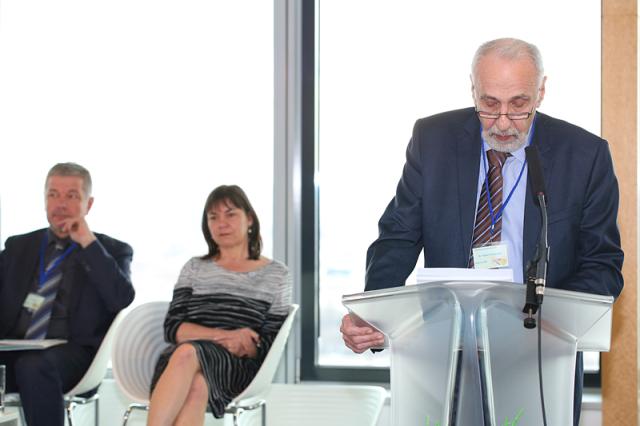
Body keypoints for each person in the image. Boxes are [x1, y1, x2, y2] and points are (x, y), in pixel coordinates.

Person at [340, 38, 623, 425]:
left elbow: (602, 264)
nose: (503, 121)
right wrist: (373, 313)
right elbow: (398, 235)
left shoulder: (585, 154)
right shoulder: (432, 139)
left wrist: (552, 323)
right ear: (472, 89)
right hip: (445, 350)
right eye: (489, 104)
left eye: (519, 105)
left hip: (539, 358)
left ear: (541, 91)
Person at [0, 162, 135, 426]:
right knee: (27, 363)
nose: (61, 204)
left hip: (73, 355)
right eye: (53, 195)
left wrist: (87, 242)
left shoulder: (112, 250)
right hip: (13, 348)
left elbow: (121, 298)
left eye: (71, 196)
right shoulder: (19, 246)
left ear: (89, 203)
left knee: (34, 366)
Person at [147, 184, 292, 426]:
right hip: (180, 362)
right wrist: (225, 335)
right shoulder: (194, 267)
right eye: (213, 217)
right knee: (196, 382)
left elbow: (268, 343)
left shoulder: (276, 274)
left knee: (189, 355)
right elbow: (173, 329)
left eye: (230, 214)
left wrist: (242, 345)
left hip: (236, 366)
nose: (221, 223)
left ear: (250, 220)